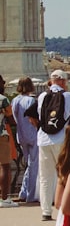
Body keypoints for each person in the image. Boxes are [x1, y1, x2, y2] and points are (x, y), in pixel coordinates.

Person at [37, 70, 70, 221]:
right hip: (61, 139)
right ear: (62, 81)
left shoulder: (42, 96)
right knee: (66, 173)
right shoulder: (69, 97)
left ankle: (46, 211)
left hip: (43, 139)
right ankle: (65, 206)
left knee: (45, 176)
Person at [14, 76, 40, 204]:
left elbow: (14, 118)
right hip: (32, 134)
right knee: (33, 164)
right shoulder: (31, 100)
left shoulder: (15, 100)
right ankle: (30, 194)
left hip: (21, 135)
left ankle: (23, 192)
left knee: (28, 165)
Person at [0, 73, 15, 207]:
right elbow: (11, 119)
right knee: (5, 166)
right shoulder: (3, 100)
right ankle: (4, 198)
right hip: (1, 135)